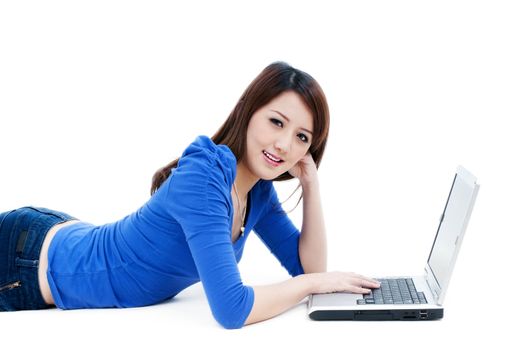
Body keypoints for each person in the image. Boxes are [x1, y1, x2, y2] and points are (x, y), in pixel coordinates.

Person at [0, 61, 380, 329]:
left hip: (61, 235)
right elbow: (232, 309)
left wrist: (311, 185)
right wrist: (312, 285)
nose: (284, 145)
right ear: (248, 113)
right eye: (276, 122)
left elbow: (309, 268)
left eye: (302, 137)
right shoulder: (205, 176)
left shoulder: (258, 192)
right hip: (26, 263)